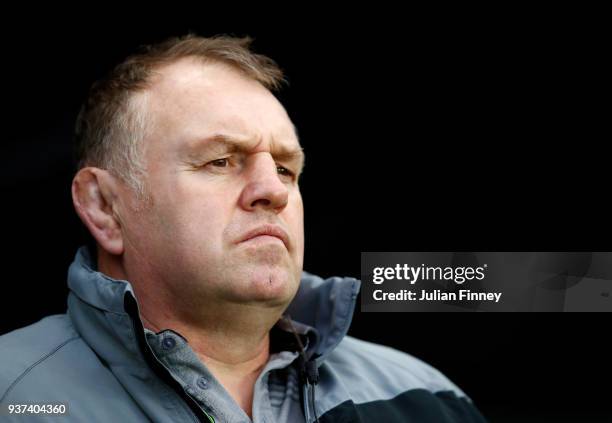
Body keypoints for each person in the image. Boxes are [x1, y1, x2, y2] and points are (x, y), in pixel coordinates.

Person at [0, 34, 487, 422]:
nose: (272, 191)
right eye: (219, 160)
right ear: (105, 206)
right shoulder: (13, 394)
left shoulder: (425, 397)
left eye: (285, 169)